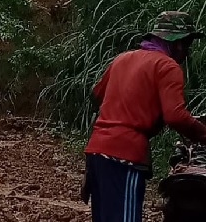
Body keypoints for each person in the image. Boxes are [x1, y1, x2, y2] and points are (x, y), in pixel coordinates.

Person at [81, 11, 206, 222]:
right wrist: (202, 134)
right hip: (125, 155)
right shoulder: (167, 66)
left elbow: (98, 93)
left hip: (96, 151)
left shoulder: (122, 59)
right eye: (186, 44)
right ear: (177, 44)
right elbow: (175, 116)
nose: (186, 52)